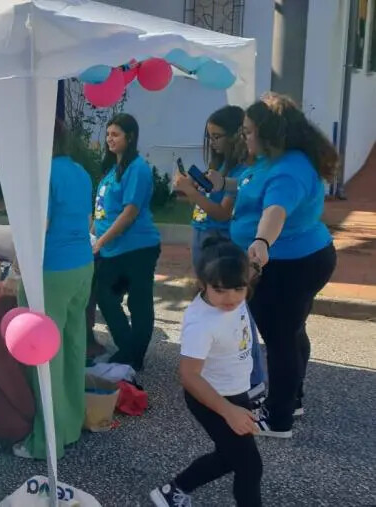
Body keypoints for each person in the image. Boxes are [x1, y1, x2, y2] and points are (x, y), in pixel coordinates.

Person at [222, 93, 338, 438]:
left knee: (280, 338)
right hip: (299, 257)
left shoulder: (289, 169)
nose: (244, 137)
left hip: (290, 263)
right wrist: (224, 184)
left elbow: (275, 211)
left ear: (270, 133)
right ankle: (292, 398)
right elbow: (256, 188)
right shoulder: (275, 158)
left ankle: (279, 418)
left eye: (248, 131)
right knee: (292, 329)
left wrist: (260, 243)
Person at [150, 237, 262, 507]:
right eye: (220, 290)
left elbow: (252, 270)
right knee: (250, 467)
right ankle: (174, 491)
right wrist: (228, 411)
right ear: (202, 283)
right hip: (212, 399)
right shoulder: (202, 324)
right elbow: (189, 376)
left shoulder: (235, 292)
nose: (231, 298)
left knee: (228, 457)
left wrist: (258, 257)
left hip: (235, 391)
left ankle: (172, 492)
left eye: (239, 288)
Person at [12, 120, 94, 460]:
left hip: (52, 269)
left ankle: (46, 441)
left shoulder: (42, 174)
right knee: (74, 346)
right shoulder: (80, 172)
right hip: (82, 265)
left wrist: (18, 261)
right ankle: (71, 426)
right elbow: (86, 220)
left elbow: (38, 227)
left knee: (44, 356)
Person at [92, 113, 161, 371]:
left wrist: (101, 241)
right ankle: (128, 349)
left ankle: (134, 356)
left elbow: (129, 213)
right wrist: (93, 235)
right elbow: (102, 209)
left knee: (138, 302)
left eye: (116, 134)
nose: (110, 139)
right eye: (108, 134)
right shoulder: (111, 169)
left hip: (137, 249)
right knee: (104, 294)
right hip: (111, 248)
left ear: (130, 137)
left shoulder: (138, 168)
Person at [174, 106, 250, 272]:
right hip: (201, 232)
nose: (212, 142)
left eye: (217, 137)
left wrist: (191, 192)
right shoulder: (220, 165)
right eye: (210, 137)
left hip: (219, 239)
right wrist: (191, 188)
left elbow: (223, 213)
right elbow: (205, 202)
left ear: (234, 137)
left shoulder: (241, 172)